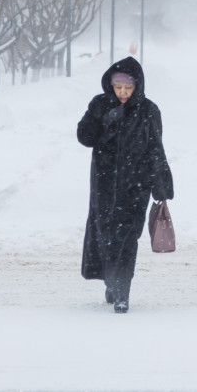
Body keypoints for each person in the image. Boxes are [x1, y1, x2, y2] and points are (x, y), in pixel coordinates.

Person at [76, 56, 174, 314]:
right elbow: (84, 137)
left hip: (135, 186)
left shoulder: (148, 110)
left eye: (127, 88)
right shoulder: (100, 104)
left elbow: (155, 147)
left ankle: (122, 291)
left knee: (128, 238)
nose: (122, 93)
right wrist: (104, 120)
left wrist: (160, 185)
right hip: (104, 185)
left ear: (137, 87)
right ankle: (111, 281)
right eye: (118, 87)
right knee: (106, 237)